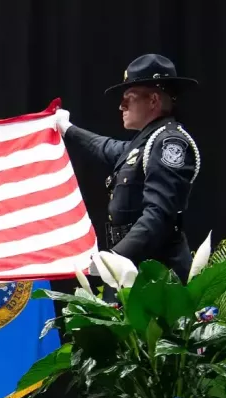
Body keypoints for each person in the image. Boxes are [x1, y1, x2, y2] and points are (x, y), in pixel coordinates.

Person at [57, 54, 201, 280]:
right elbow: (106, 147)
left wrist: (116, 256)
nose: (121, 105)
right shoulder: (146, 142)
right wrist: (67, 129)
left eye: (129, 98)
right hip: (133, 264)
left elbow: (159, 214)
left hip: (158, 274)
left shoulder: (169, 142)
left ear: (153, 100)